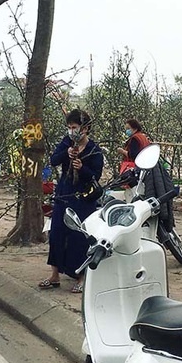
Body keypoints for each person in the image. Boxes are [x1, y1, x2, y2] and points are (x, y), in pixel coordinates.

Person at [39, 109, 103, 294]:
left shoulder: (94, 150)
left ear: (86, 128)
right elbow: (53, 160)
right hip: (64, 194)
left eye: (74, 127)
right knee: (57, 232)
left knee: (79, 236)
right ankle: (55, 274)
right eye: (69, 127)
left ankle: (81, 276)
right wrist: (66, 154)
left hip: (82, 198)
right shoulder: (67, 143)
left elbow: (95, 176)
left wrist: (82, 169)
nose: (72, 131)